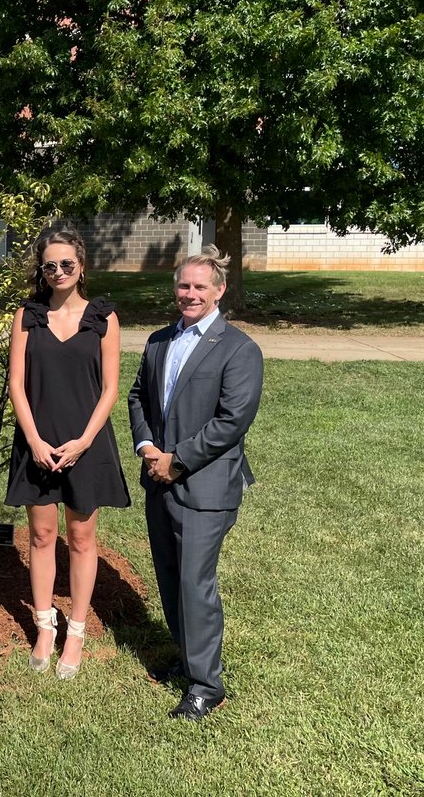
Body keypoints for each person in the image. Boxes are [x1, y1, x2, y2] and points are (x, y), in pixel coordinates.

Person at [128, 245, 264, 721]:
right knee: (169, 578)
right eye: (183, 285)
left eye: (199, 287)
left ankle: (208, 684)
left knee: (194, 582)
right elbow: (139, 396)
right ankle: (188, 659)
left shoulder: (239, 349)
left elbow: (232, 421)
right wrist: (148, 449)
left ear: (219, 291)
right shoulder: (160, 340)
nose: (189, 294)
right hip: (157, 478)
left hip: (205, 487)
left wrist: (178, 460)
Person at [5, 229, 131, 680]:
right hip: (37, 441)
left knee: (80, 538)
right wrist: (35, 441)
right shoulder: (27, 315)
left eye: (67, 264)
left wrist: (83, 441)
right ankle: (44, 625)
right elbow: (16, 384)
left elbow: (111, 388)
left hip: (86, 443)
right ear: (41, 270)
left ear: (82, 266)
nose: (59, 272)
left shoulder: (104, 317)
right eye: (50, 266)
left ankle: (75, 631)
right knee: (40, 536)